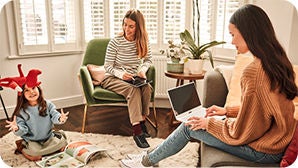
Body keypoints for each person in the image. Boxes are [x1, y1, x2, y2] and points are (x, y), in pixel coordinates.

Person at [120, 4, 298, 167]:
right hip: (278, 142)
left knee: (190, 126)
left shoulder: (254, 71)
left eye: (233, 35)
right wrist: (226, 112)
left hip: (264, 150)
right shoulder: (277, 61)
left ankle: (145, 162)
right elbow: (262, 111)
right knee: (196, 123)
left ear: (248, 33)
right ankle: (150, 156)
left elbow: (244, 131)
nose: (232, 41)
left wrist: (209, 124)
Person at [100, 9, 153, 148]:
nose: (126, 29)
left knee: (147, 88)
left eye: (131, 26)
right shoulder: (115, 42)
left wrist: (142, 70)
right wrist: (121, 75)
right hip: (112, 78)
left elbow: (148, 60)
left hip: (132, 77)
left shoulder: (143, 41)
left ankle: (142, 121)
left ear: (139, 27)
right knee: (133, 91)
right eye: (124, 24)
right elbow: (107, 66)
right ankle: (137, 132)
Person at [3, 64, 69, 161]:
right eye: (27, 90)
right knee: (36, 156)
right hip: (33, 140)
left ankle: (54, 142)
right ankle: (22, 147)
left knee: (62, 146)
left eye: (33, 88)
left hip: (48, 137)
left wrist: (60, 118)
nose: (31, 92)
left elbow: (55, 115)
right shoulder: (21, 112)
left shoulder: (47, 104)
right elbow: (23, 130)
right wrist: (17, 128)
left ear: (38, 88)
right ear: (22, 94)